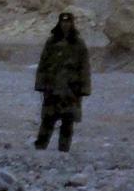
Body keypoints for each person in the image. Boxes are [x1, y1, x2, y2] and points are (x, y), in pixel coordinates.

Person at [34, 12, 91, 152]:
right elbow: (43, 64)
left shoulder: (78, 44)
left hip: (71, 90)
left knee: (68, 121)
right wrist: (40, 85)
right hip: (52, 88)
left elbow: (84, 68)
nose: (65, 25)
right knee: (47, 120)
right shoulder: (51, 42)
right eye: (63, 22)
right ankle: (40, 146)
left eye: (68, 22)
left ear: (72, 23)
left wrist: (84, 89)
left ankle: (63, 150)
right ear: (59, 23)